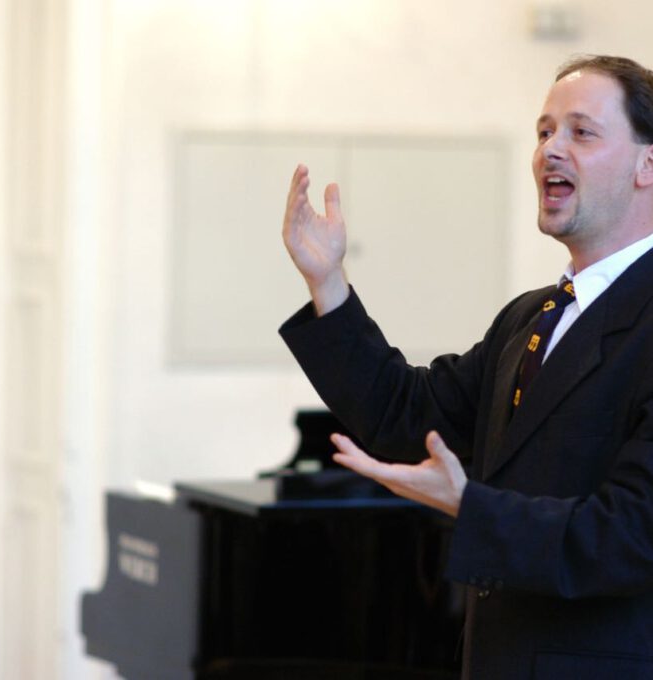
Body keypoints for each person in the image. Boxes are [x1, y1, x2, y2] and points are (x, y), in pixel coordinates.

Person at [279, 55, 653, 680]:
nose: (549, 151)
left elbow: (630, 538)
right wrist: (328, 282)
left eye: (581, 132)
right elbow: (406, 414)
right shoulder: (531, 317)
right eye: (543, 131)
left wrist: (471, 507)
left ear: (649, 164)